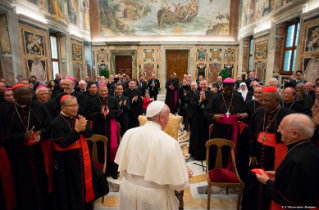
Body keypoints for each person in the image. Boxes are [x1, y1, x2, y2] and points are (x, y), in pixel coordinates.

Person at [115, 101, 192, 210]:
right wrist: (186, 175)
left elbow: (122, 168)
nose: (168, 120)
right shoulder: (169, 142)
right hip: (154, 198)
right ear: (161, 117)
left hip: (127, 191)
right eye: (168, 117)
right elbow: (178, 184)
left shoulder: (129, 133)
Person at [48, 95, 109, 210]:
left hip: (82, 156)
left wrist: (84, 128)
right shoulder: (55, 123)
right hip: (67, 161)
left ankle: (86, 204)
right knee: (73, 185)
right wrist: (77, 130)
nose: (75, 108)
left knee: (89, 181)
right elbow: (62, 143)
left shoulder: (79, 117)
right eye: (72, 106)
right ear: (63, 107)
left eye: (76, 105)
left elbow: (90, 134)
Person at [0, 84, 53, 210]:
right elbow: (4, 136)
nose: (29, 96)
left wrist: (41, 133)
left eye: (30, 93)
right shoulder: (6, 111)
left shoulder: (39, 107)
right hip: (19, 154)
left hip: (39, 151)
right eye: (25, 95)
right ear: (15, 96)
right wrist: (22, 136)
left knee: (42, 179)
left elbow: (49, 125)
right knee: (24, 183)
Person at [241, 86, 294, 210]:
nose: (263, 103)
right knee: (253, 186)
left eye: (267, 100)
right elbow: (251, 134)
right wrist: (252, 153)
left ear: (277, 100)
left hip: (277, 157)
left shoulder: (289, 115)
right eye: (261, 100)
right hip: (258, 155)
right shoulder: (258, 112)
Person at [256, 113, 319, 208]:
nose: (278, 130)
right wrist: (279, 175)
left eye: (281, 127)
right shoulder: (309, 148)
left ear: (294, 134)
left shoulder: (296, 158)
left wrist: (267, 181)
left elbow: (288, 199)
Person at [204, 78, 247, 169]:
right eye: (226, 89)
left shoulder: (238, 98)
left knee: (234, 149)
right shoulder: (216, 98)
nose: (228, 91)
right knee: (219, 150)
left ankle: (233, 169)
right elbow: (206, 112)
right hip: (219, 130)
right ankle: (218, 169)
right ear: (223, 87)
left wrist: (245, 114)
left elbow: (246, 112)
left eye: (230, 89)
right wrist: (213, 116)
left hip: (234, 129)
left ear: (233, 87)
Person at [88, 84, 121, 179]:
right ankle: (101, 170)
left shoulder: (113, 99)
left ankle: (113, 170)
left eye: (105, 91)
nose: (104, 93)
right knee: (99, 149)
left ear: (108, 91)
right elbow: (90, 116)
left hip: (111, 127)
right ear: (98, 91)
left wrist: (109, 113)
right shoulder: (93, 101)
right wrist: (100, 114)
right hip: (99, 128)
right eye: (102, 91)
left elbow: (118, 113)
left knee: (113, 149)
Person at [189, 80, 214, 160]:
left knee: (206, 135)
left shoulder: (212, 94)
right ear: (199, 85)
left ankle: (206, 154)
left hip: (207, 119)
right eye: (202, 84)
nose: (203, 86)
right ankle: (197, 153)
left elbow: (213, 105)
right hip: (198, 118)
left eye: (205, 84)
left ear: (208, 84)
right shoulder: (196, 94)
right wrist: (199, 101)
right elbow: (192, 104)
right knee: (197, 135)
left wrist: (205, 99)